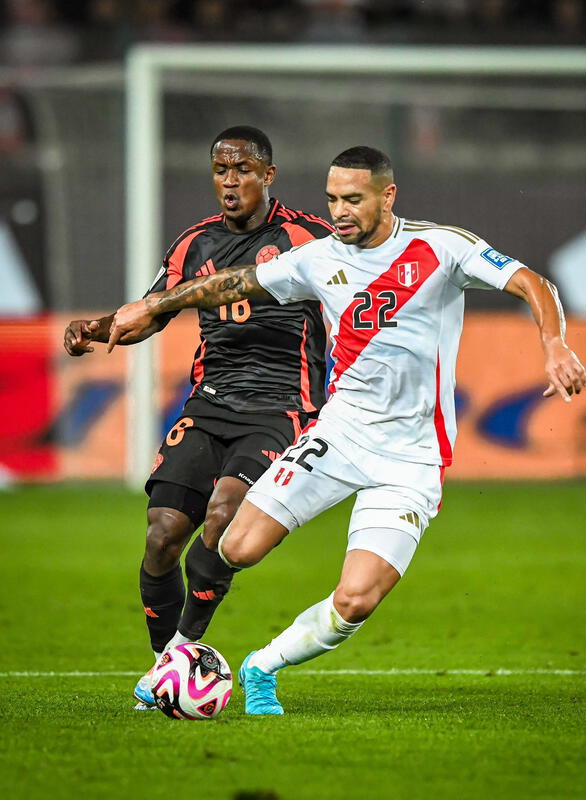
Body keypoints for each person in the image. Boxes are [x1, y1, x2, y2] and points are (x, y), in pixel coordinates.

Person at [108, 145, 586, 715]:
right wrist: (154, 305)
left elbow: (531, 282)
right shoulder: (318, 258)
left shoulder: (442, 248)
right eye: (332, 199)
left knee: (357, 601)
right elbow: (232, 285)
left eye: (353, 200)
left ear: (387, 196)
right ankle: (179, 657)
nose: (339, 211)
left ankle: (263, 666)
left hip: (411, 459)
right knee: (235, 541)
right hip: (338, 436)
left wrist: (553, 342)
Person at [63, 126, 333, 709]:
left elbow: (358, 293)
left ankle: (186, 646)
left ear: (269, 175)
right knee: (161, 536)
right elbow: (151, 313)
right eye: (220, 170)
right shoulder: (194, 243)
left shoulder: (309, 239)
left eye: (242, 170)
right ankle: (165, 673)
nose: (229, 181)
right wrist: (98, 328)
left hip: (282, 407)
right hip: (210, 405)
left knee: (223, 513)